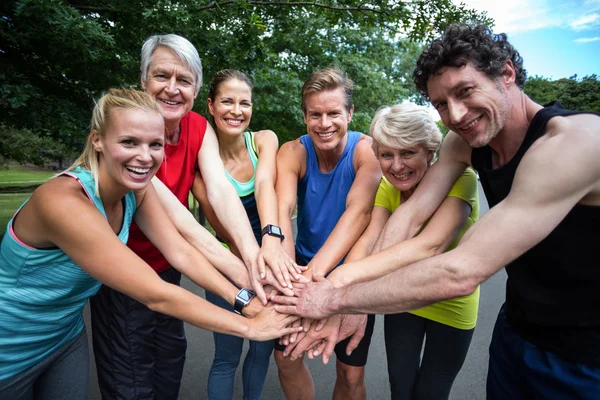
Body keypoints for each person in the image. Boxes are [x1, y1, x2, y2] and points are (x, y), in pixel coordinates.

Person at [273, 24, 600, 399]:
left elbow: (458, 267)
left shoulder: (574, 142)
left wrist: (333, 298)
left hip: (584, 356)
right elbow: (407, 219)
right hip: (517, 330)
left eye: (465, 91)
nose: (457, 114)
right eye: (442, 104)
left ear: (507, 73)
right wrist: (343, 286)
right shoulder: (463, 143)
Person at [0, 89, 302, 400]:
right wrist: (250, 327)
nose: (145, 157)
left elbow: (181, 252)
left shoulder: (136, 190)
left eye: (155, 144)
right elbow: (156, 294)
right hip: (8, 349)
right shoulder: (63, 202)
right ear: (98, 140)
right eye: (129, 142)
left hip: (63, 338)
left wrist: (251, 299)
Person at [89, 34, 283, 400]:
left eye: (184, 80)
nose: (172, 89)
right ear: (143, 80)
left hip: (169, 265)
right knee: (132, 378)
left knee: (169, 362)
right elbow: (186, 228)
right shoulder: (131, 141)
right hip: (125, 272)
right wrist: (248, 288)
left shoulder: (196, 126)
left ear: (195, 89)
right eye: (162, 76)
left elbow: (221, 191)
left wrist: (253, 257)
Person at [191, 69, 302, 400]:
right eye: (227, 101)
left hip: (271, 255)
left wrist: (272, 246)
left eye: (244, 103)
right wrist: (255, 267)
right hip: (230, 264)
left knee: (261, 352)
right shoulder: (200, 169)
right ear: (210, 105)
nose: (236, 111)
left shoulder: (264, 139)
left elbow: (266, 184)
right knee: (226, 357)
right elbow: (224, 227)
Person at [275, 67, 381, 400]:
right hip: (304, 268)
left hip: (352, 273)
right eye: (315, 114)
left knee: (350, 374)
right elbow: (283, 209)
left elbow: (359, 213)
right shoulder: (293, 151)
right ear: (304, 116)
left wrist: (316, 276)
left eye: (334, 113)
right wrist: (292, 272)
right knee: (286, 357)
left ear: (350, 113)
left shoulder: (367, 151)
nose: (324, 123)